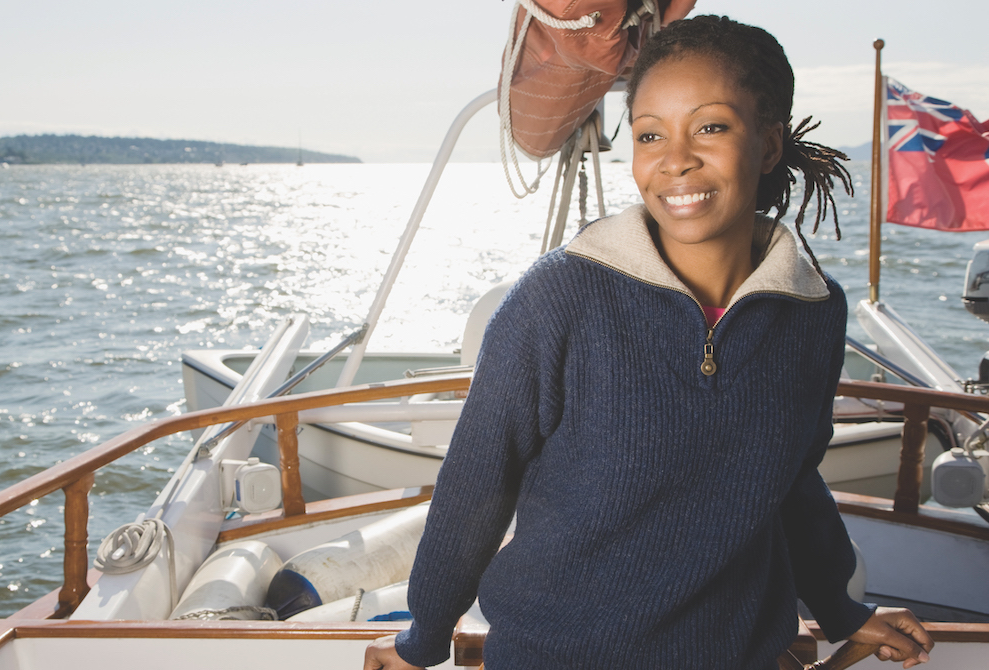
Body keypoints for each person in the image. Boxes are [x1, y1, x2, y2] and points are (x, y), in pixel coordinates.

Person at [363, 14, 936, 670]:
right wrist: (423, 636)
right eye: (649, 134)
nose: (675, 160)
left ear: (770, 143)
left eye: (711, 127)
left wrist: (843, 612)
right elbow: (478, 480)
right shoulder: (560, 298)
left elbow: (792, 481)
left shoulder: (814, 310)